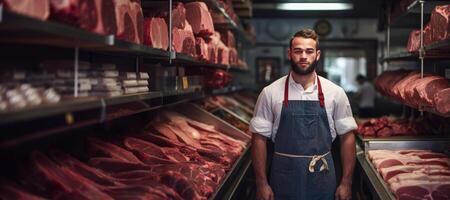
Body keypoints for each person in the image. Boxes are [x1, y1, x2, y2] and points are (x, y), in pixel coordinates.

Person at [250, 28, 357, 200]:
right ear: (289, 53)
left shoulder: (335, 93)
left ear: (318, 54)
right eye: (298, 51)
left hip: (322, 176)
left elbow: (347, 137)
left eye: (309, 51)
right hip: (283, 177)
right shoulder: (269, 93)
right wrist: (261, 183)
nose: (303, 56)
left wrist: (346, 183)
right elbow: (258, 139)